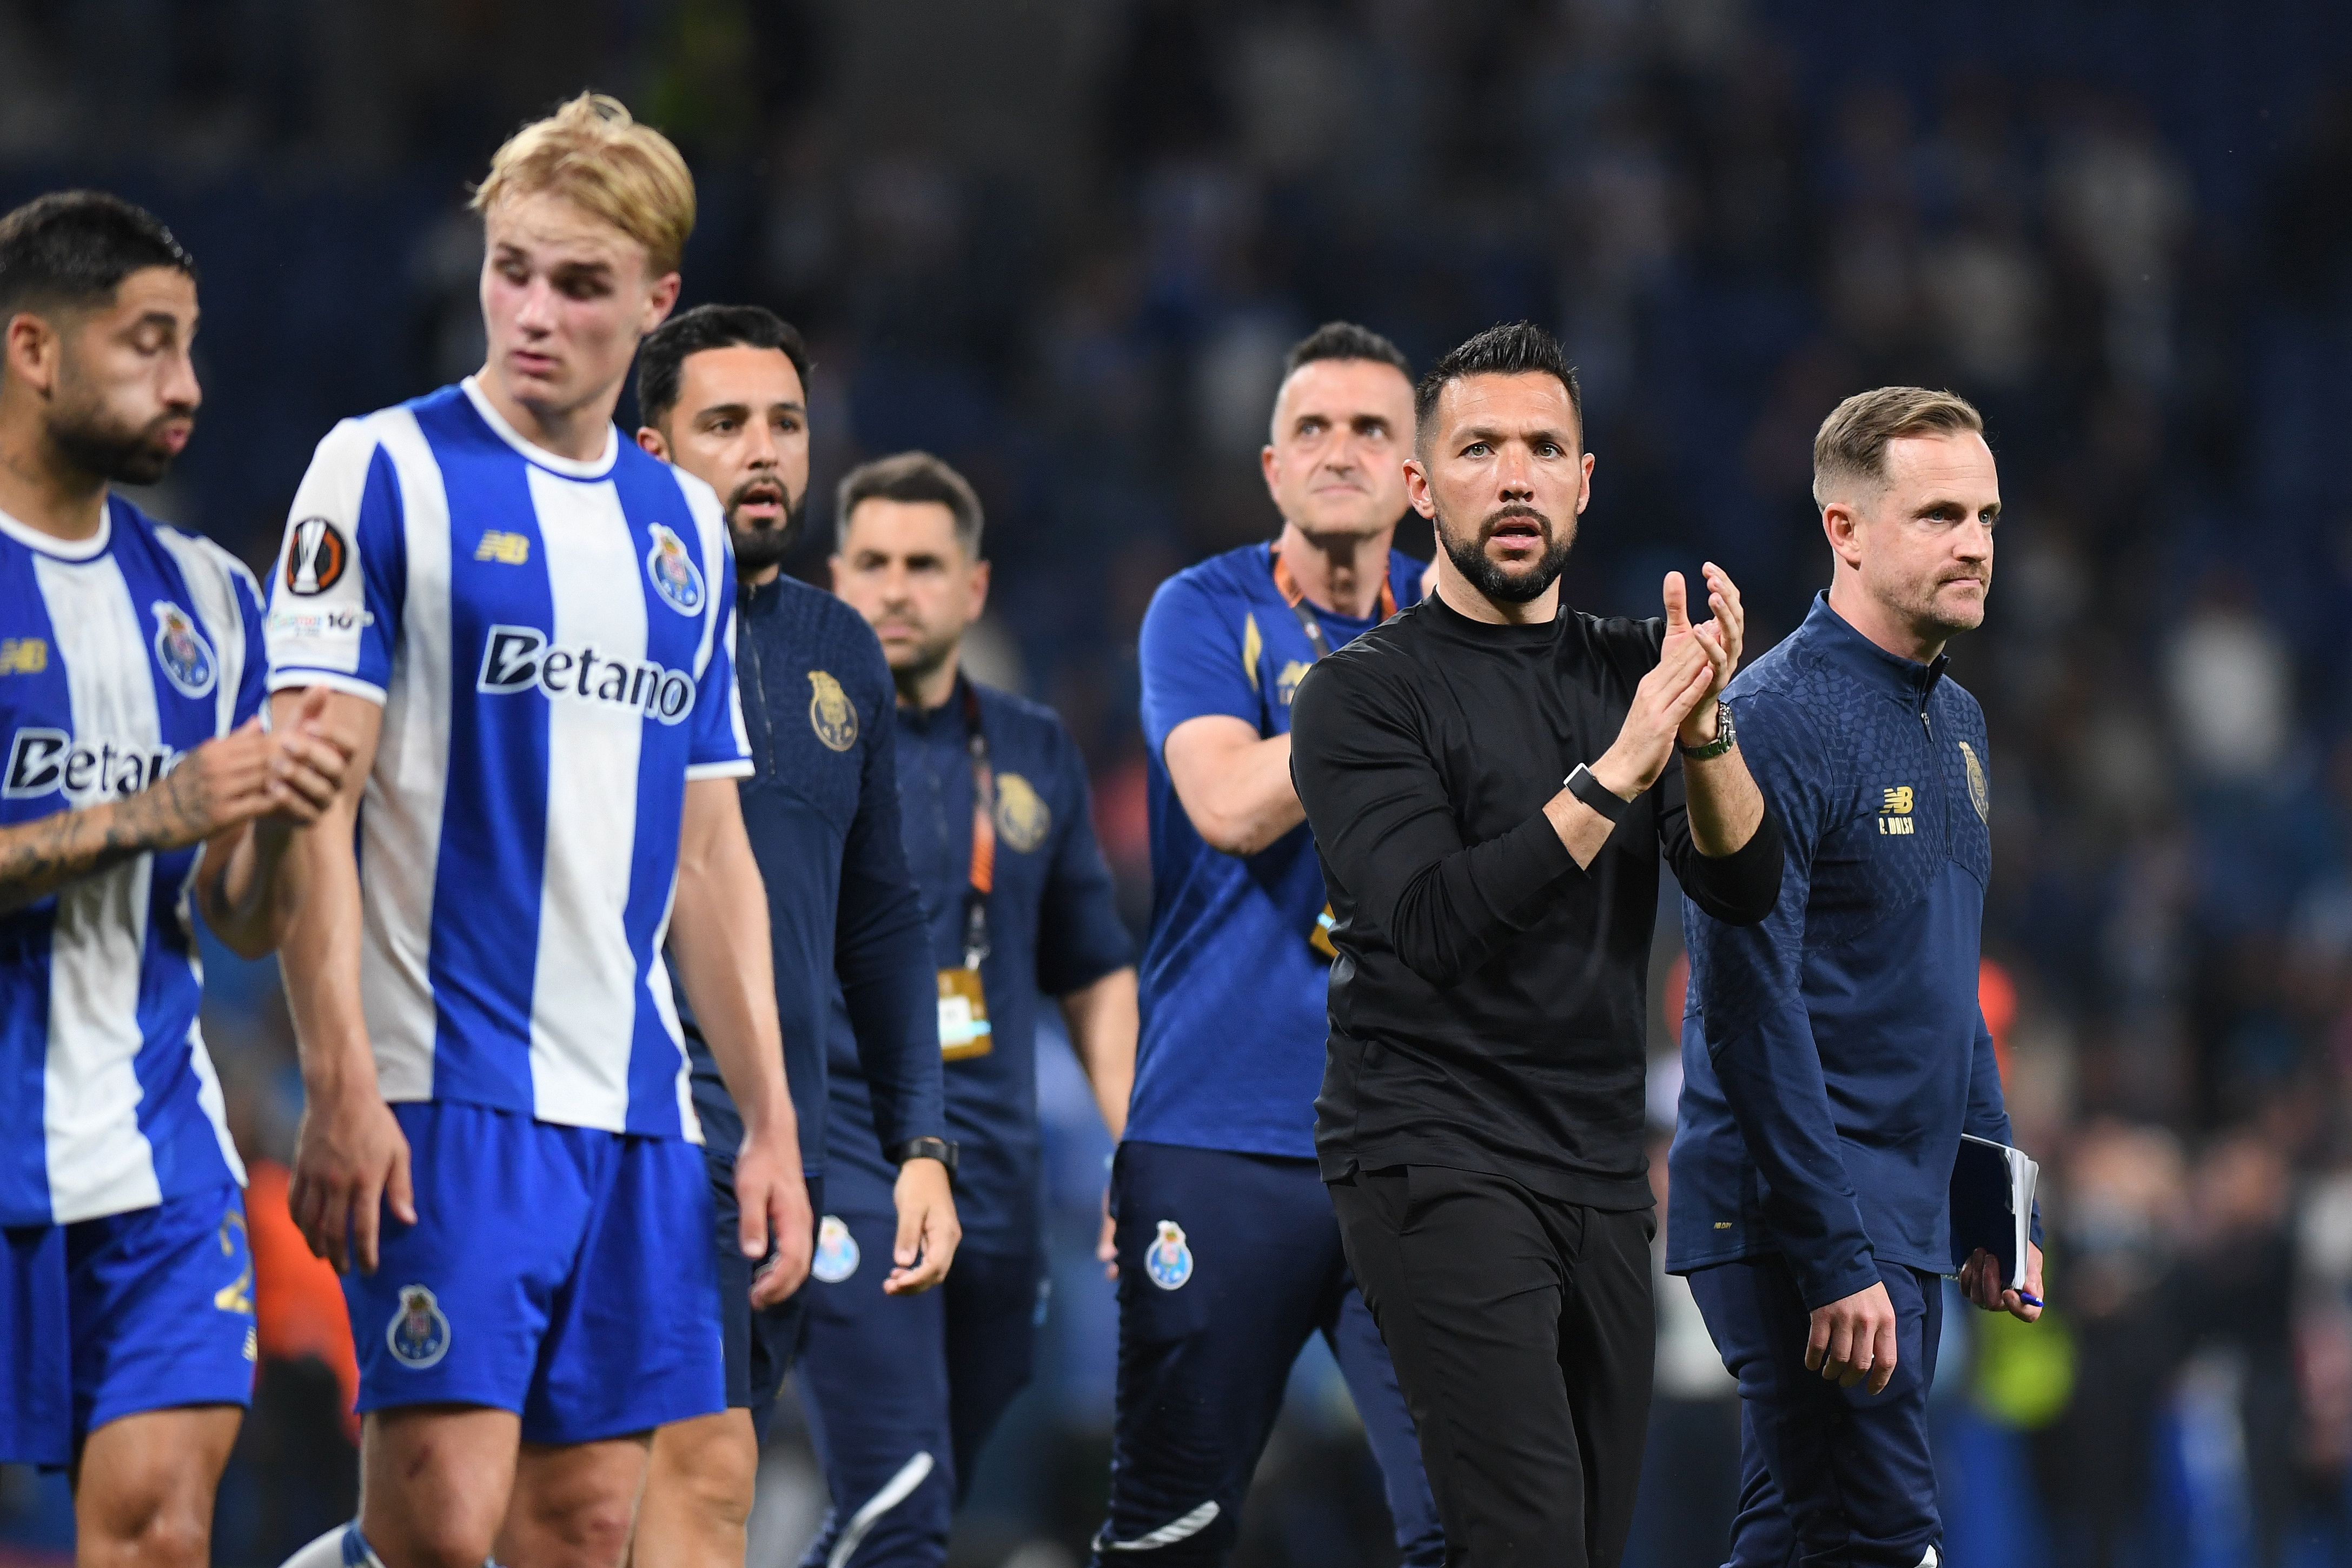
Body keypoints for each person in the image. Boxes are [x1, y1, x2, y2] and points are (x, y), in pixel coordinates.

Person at [262, 96, 813, 1568]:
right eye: (512, 269)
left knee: (580, 1524)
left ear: (656, 299)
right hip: (438, 1088)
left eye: (577, 284)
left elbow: (709, 850)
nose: (532, 311)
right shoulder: (378, 472)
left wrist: (763, 1117)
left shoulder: (685, 527)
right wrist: (335, 1079)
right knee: (440, 1520)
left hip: (631, 1110)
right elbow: (307, 808)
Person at [1289, 320, 1784, 1568]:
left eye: (1542, 447)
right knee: (1529, 1546)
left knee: (1578, 1544)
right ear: (1420, 485)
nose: (1514, 476)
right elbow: (1440, 922)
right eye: (1479, 447)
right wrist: (1626, 761)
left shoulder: (1640, 668)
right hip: (1432, 1150)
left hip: (1603, 1171)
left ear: (1584, 480)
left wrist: (1710, 731)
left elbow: (1742, 887)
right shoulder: (1362, 693)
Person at [0, 189, 349, 1566]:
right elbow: (160, 822)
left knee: (155, 1530)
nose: (188, 382)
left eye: (192, 344)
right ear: (35, 350)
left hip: (152, 1151)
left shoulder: (212, 596)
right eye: (149, 343)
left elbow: (240, 916)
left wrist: (271, 817)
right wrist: (154, 811)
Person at [1667, 386, 2043, 1568]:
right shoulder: (1774, 720)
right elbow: (1745, 1000)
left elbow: (1942, 977)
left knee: (1803, 1534)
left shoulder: (1961, 722)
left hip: (1901, 1211)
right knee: (1886, 1536)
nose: (1975, 542)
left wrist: (1989, 1195)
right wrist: (1833, 1251)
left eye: (1984, 514)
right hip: (1803, 1209)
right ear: (1846, 530)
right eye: (1938, 515)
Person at [1096, 322, 1442, 1567]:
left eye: (1370, 430)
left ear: (1420, 476)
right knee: (1173, 1531)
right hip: (1221, 1136)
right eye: (1312, 428)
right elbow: (1229, 804)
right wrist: (1391, 691)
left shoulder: (1472, 633)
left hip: (1413, 1145)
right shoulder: (1204, 608)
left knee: (1477, 1526)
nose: (1337, 450)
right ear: (1270, 467)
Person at [627, 305, 957, 1568]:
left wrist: (917, 1143)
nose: (762, 452)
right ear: (653, 451)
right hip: (641, 1120)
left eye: (784, 424)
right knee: (694, 1480)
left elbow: (880, 918)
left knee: (689, 1482)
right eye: (725, 425)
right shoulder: (603, 627)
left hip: (788, 1148)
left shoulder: (841, 651)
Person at [805, 451, 1138, 1566]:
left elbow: (1092, 966)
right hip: (847, 1154)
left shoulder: (1033, 746)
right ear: (833, 577)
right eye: (874, 563)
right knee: (900, 1504)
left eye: (923, 565)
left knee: (917, 1499)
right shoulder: (779, 734)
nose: (897, 588)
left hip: (999, 1182)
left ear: (974, 588)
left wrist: (1133, 1151)